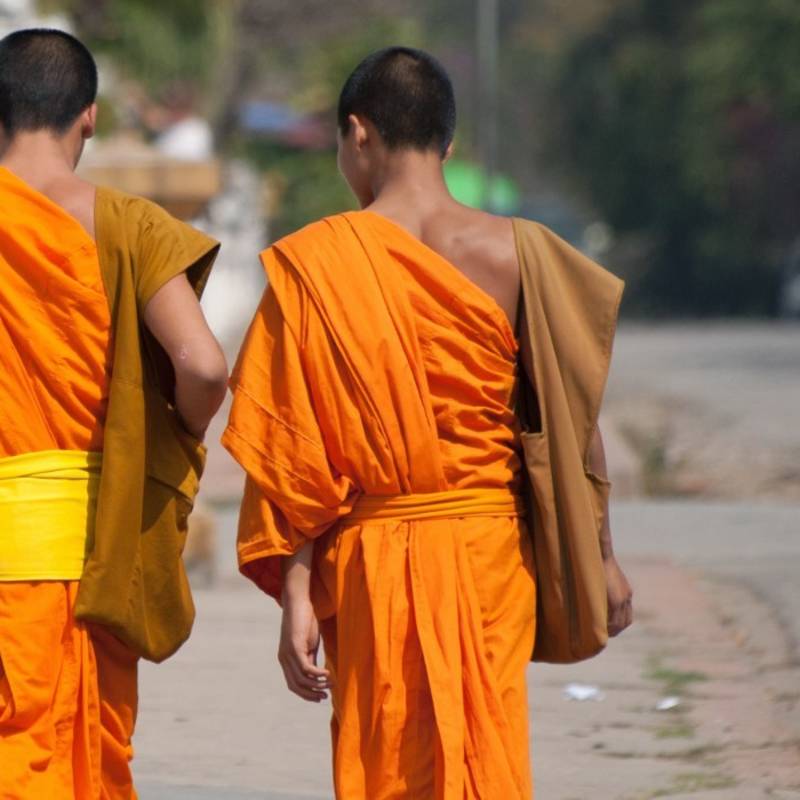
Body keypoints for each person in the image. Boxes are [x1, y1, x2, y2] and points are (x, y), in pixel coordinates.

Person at [223, 46, 632, 799]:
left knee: (388, 766)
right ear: (448, 142)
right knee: (484, 753)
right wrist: (601, 555)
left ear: (358, 135)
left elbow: (296, 461)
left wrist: (296, 595)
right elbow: (571, 425)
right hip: (488, 556)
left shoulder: (313, 266)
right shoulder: (523, 254)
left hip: (372, 563)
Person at [0, 29, 227, 798]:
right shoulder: (129, 225)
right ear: (89, 118)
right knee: (79, 758)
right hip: (94, 553)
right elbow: (203, 365)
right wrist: (171, 436)